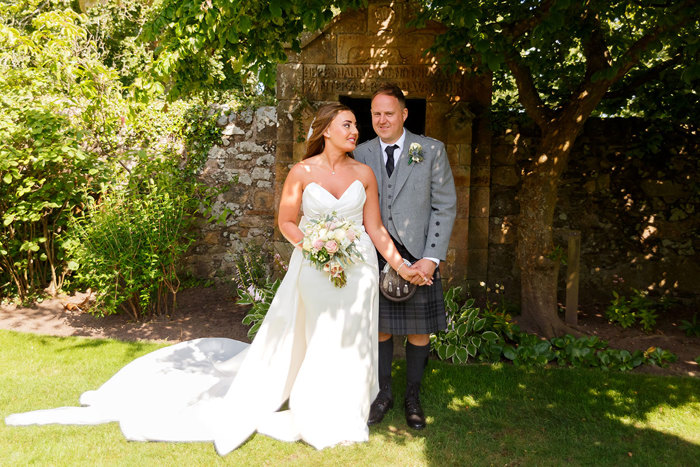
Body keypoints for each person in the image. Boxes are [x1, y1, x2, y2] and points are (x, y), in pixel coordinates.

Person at [5, 103, 426, 454]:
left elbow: (375, 229)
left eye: (356, 125)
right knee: (319, 335)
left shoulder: (364, 174)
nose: (356, 130)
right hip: (315, 267)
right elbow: (286, 222)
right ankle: (315, 410)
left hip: (358, 273)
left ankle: (348, 409)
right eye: (348, 124)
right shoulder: (302, 172)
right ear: (326, 130)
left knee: (352, 336)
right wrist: (313, 244)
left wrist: (401, 265)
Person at [354, 83, 457, 430]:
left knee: (419, 331)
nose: (382, 120)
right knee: (379, 329)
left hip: (418, 255)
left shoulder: (430, 150)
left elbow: (444, 207)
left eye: (389, 113)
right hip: (373, 253)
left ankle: (413, 394)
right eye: (376, 114)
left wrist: (432, 257)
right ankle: (383, 394)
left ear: (404, 114)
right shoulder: (360, 152)